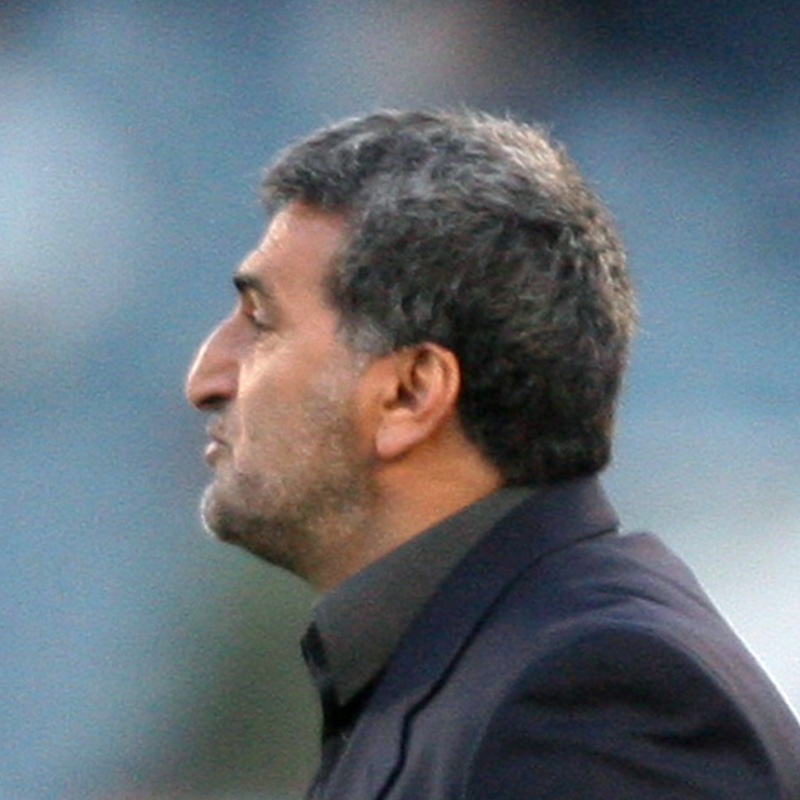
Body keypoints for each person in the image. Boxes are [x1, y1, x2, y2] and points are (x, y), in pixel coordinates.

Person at [185, 109, 800, 800]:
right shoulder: (462, 669)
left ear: (411, 393)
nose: (205, 377)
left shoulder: (589, 696)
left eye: (262, 323)